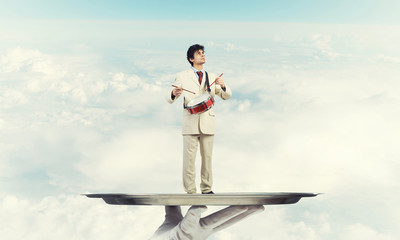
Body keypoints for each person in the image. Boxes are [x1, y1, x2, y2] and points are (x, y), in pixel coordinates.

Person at [167, 44, 232, 194]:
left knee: (207, 158)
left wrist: (223, 86)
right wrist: (173, 92)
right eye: (198, 53)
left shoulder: (213, 76)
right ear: (191, 58)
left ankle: (207, 189)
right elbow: (170, 98)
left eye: (203, 53)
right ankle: (190, 191)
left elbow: (226, 96)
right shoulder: (182, 76)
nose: (202, 55)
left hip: (208, 121)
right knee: (189, 160)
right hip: (190, 121)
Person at [150, 205, 264, 240]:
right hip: (164, 232)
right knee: (208, 227)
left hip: (167, 234)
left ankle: (247, 208)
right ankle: (249, 208)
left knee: (205, 226)